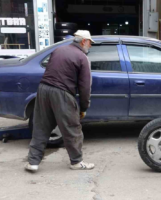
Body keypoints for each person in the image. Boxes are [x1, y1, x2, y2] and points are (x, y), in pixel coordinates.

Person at [25, 30, 95, 172]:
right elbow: (85, 86)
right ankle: (76, 162)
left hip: (43, 89)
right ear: (83, 41)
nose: (90, 46)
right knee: (72, 128)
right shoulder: (82, 57)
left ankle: (33, 162)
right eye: (90, 42)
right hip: (62, 93)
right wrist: (83, 108)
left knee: (41, 126)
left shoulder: (59, 50)